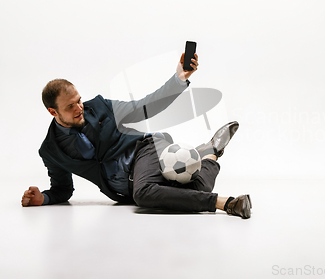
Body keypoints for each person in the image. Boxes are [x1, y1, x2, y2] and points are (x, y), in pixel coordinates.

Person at [21, 52, 252, 219]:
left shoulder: (101, 107)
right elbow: (63, 189)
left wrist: (179, 78)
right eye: (70, 106)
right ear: (53, 112)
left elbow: (145, 106)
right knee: (191, 192)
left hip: (145, 150)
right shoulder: (50, 151)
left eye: (79, 100)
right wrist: (44, 197)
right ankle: (209, 155)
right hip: (126, 189)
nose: (80, 107)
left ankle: (228, 204)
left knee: (145, 194)